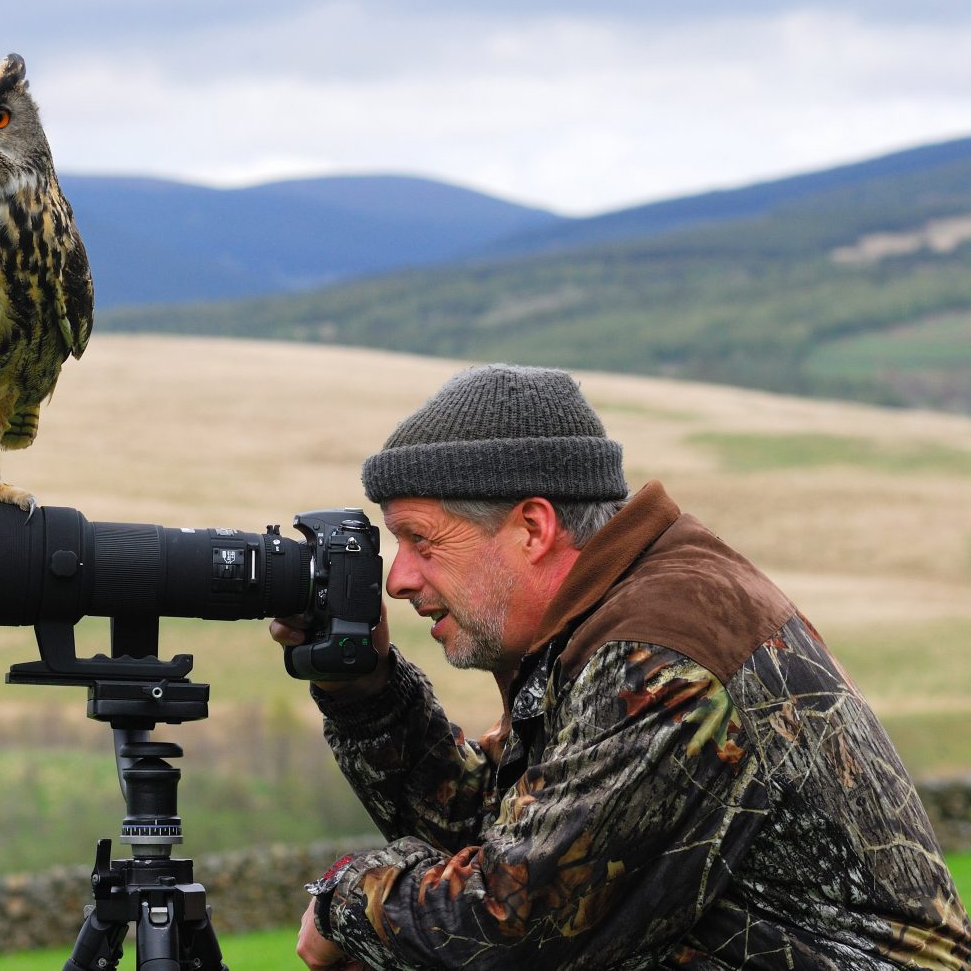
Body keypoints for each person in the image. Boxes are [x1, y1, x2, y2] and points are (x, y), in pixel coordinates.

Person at [270, 364, 971, 970]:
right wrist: (361, 686)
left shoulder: (664, 654)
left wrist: (344, 903)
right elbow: (486, 828)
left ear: (533, 528)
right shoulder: (609, 626)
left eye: (420, 541)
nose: (399, 579)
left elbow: (513, 928)